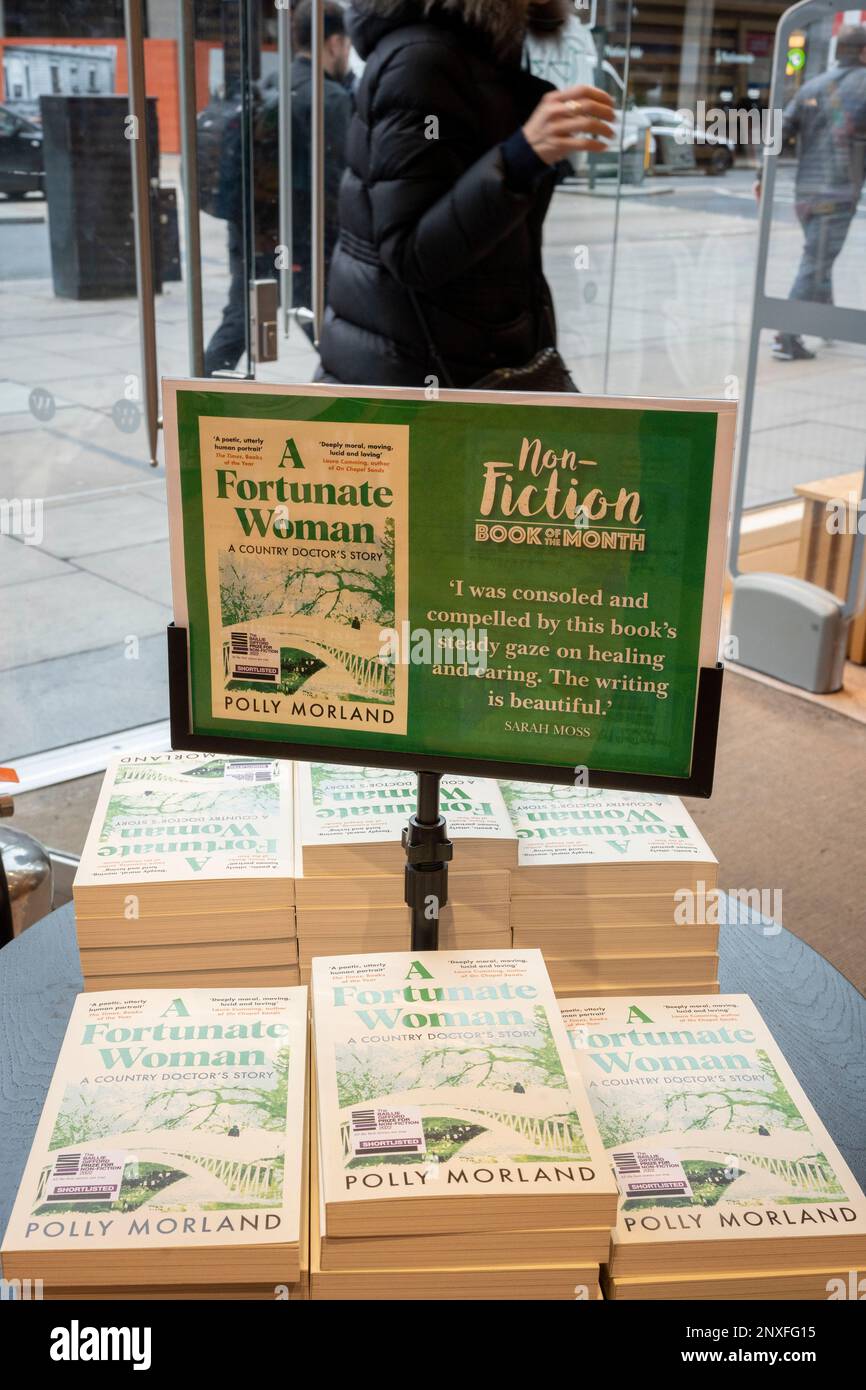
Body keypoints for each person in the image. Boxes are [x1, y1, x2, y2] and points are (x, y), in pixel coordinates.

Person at [316, 0, 615, 387]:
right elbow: (411, 253)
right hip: (422, 379)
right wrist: (520, 158)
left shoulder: (477, 58)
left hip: (461, 361)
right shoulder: (423, 63)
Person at [203, 0, 352, 374]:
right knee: (339, 337)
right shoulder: (329, 99)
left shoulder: (271, 85)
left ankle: (199, 400)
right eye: (346, 45)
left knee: (240, 316)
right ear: (334, 43)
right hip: (304, 240)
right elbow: (341, 183)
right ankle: (352, 408)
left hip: (254, 229)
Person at [771, 25, 866, 362]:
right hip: (837, 193)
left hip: (805, 194)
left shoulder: (811, 86)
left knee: (820, 258)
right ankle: (786, 335)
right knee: (816, 262)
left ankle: (829, 324)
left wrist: (760, 175)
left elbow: (779, 131)